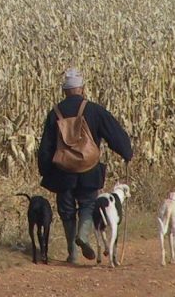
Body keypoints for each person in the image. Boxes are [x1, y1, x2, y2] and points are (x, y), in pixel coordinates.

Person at [37, 68, 133, 264]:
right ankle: (83, 233)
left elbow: (46, 146)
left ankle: (72, 253)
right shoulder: (94, 110)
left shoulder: (54, 113)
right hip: (89, 171)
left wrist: (45, 171)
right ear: (82, 89)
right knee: (88, 204)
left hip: (62, 171)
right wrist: (126, 152)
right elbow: (114, 133)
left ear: (65, 91)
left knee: (66, 210)